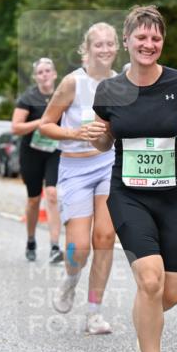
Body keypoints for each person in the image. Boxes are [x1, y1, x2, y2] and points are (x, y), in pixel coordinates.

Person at [87, 6, 177, 352]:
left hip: (174, 197)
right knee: (151, 279)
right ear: (127, 41)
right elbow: (107, 139)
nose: (148, 44)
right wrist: (97, 138)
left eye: (155, 38)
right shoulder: (109, 90)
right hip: (128, 195)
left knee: (168, 293)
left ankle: (144, 317)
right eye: (141, 37)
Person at [39, 23, 119, 335]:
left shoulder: (121, 83)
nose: (105, 49)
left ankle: (94, 313)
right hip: (74, 168)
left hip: (107, 164)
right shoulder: (73, 83)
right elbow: (46, 124)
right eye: (98, 44)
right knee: (78, 248)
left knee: (105, 238)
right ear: (86, 49)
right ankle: (71, 278)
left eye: (110, 43)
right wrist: (74, 132)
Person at [12, 57, 62, 263]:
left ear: (54, 74)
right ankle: (31, 240)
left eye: (47, 71)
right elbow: (15, 127)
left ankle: (55, 246)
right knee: (34, 200)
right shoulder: (28, 98)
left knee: (52, 194)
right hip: (31, 153)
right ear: (36, 77)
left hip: (54, 151)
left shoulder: (62, 95)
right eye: (40, 72)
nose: (44, 75)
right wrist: (40, 122)